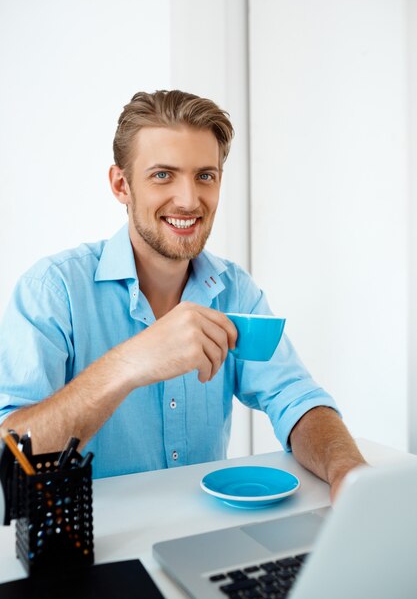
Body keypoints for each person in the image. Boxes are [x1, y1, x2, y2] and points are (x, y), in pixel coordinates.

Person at [0, 90, 365, 497]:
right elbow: (10, 457)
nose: (190, 200)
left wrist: (348, 471)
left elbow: (293, 397)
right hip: (93, 548)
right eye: (163, 175)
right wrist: (130, 363)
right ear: (122, 185)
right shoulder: (53, 290)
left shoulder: (235, 290)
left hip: (203, 536)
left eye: (204, 176)